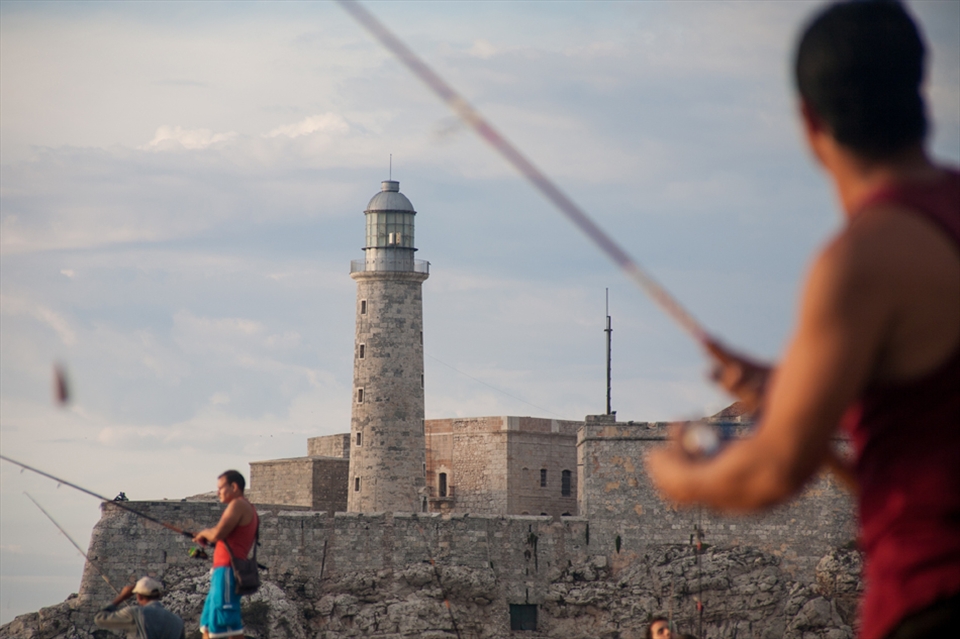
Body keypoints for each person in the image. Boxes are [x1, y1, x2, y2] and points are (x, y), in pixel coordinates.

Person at [646, 2, 960, 639]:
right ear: (919, 91)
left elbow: (772, 471)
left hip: (932, 598)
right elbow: (917, 426)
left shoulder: (861, 260)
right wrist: (794, 390)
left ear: (809, 120)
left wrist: (682, 479)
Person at [193, 470, 259, 639]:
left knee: (227, 625)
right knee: (207, 626)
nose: (218, 493)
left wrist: (203, 533)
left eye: (221, 488)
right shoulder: (244, 507)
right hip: (220, 571)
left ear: (234, 486)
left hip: (227, 571)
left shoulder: (239, 505)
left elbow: (216, 534)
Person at [94, 576, 185, 639]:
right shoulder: (177, 621)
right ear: (158, 595)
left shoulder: (135, 613)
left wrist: (121, 597)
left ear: (139, 596)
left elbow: (100, 618)